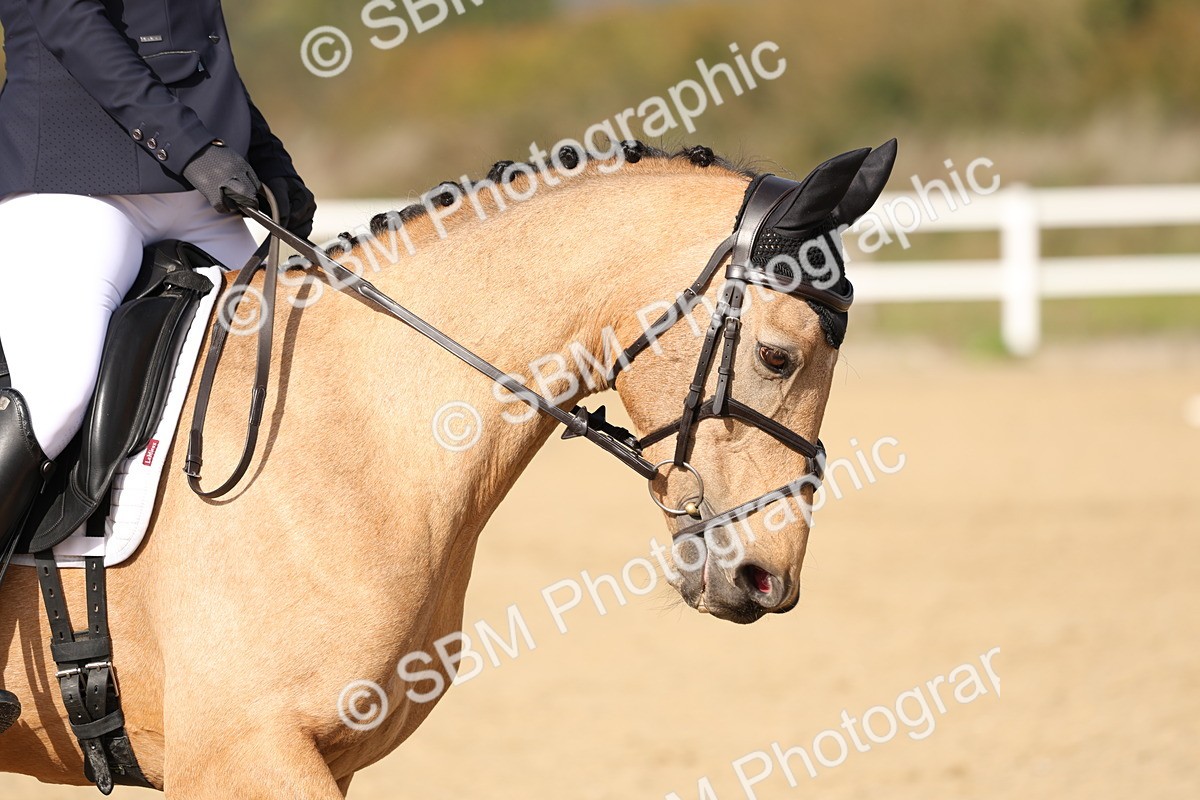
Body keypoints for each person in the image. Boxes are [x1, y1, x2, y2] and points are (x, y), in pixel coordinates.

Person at [0, 0, 316, 732]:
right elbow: (74, 24)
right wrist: (194, 149)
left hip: (190, 188)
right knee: (57, 393)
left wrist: (267, 161)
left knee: (314, 351)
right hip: (74, 180)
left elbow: (195, 52)